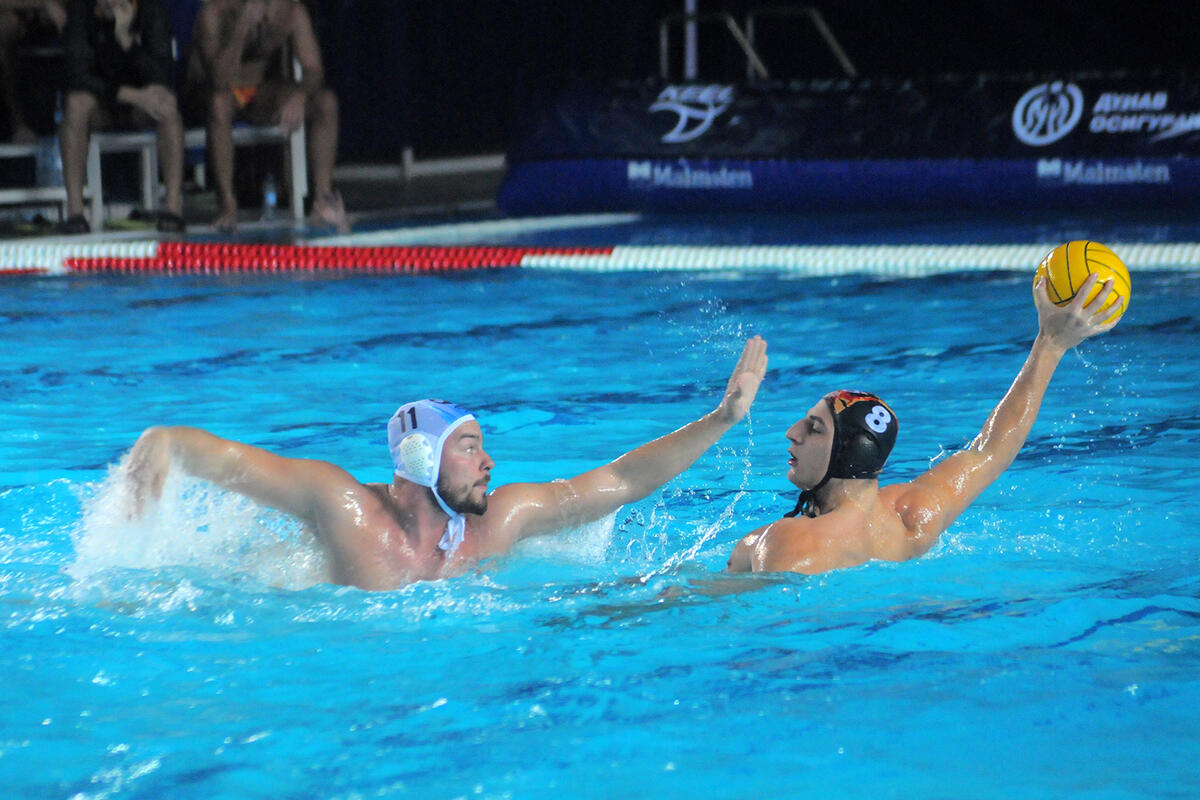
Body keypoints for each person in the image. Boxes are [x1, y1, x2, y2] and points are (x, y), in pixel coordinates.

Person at [122, 336, 768, 590]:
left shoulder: (501, 520)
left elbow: (621, 480)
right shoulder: (343, 506)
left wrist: (721, 419)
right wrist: (164, 446)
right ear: (420, 457)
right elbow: (223, 459)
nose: (489, 462)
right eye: (469, 446)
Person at [728, 273, 1122, 576]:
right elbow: (989, 451)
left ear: (848, 452)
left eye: (815, 428)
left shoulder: (786, 541)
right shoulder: (911, 518)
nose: (792, 433)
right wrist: (1051, 344)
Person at [188, 0, 346, 233]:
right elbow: (218, 81)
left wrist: (300, 95)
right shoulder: (214, 11)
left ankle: (323, 201)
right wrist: (242, 27)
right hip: (216, 93)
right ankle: (227, 205)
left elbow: (313, 68)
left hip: (260, 92)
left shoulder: (290, 10)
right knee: (219, 103)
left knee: (326, 103)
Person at [58, 0, 184, 234]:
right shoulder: (80, 9)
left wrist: (126, 40)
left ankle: (173, 207)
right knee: (75, 104)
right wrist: (132, 95)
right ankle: (75, 212)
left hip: (141, 107)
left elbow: (161, 74)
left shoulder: (151, 9)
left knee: (167, 104)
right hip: (101, 103)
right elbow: (78, 76)